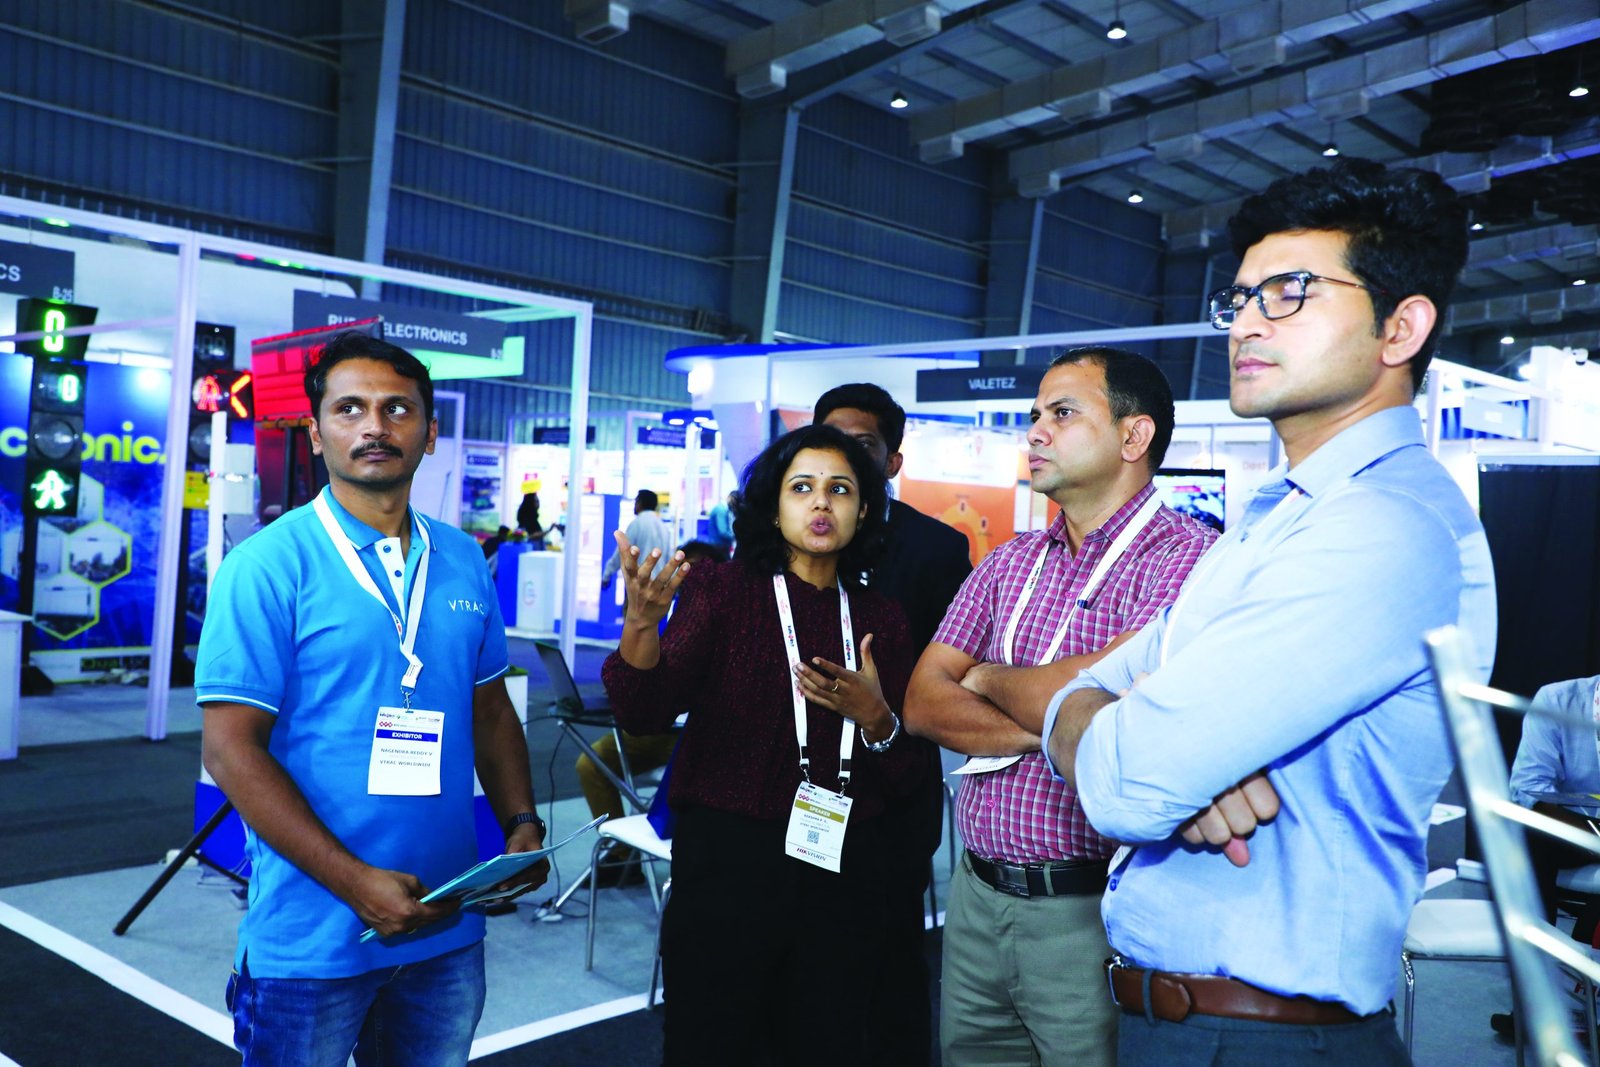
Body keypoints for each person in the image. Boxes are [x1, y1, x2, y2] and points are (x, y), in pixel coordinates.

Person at [1043, 158, 1497, 1065]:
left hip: (1266, 1038)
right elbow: (1080, 697)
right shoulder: (1274, 521)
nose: (1248, 321)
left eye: (1291, 292)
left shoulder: (1383, 527)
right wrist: (1138, 740)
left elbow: (1127, 782)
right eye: (1242, 297)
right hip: (1189, 1024)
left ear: (1401, 327)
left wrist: (1147, 752)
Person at [196, 331, 548, 1066]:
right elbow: (230, 751)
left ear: (430, 432)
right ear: (316, 431)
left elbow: (489, 708)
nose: (375, 426)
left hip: (447, 923)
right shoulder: (266, 566)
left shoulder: (463, 557)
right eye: (350, 408)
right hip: (311, 939)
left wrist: (520, 821)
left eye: (397, 409)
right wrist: (356, 884)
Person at [904, 346, 1216, 1067]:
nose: (1036, 431)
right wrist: (1065, 720)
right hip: (974, 899)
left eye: (1063, 413)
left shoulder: (1189, 560)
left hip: (1093, 912)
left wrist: (986, 676)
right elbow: (922, 701)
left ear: (1134, 436)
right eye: (1035, 414)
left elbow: (1130, 718)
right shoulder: (1010, 562)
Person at [601, 424, 927, 1065]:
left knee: (827, 1044)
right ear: (773, 508)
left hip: (843, 865)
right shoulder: (722, 592)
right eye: (801, 487)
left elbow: (908, 773)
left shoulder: (881, 618)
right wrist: (640, 624)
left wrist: (877, 719)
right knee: (709, 1043)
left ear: (864, 511)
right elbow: (643, 711)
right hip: (729, 862)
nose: (821, 502)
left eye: (840, 490)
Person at [814, 381, 972, 1065]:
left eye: (863, 443)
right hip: (796, 788)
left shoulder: (935, 549)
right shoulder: (784, 538)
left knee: (891, 973)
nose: (845, 455)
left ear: (893, 460)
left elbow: (954, 677)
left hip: (893, 791)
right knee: (801, 971)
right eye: (831, 440)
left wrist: (885, 715)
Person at [575, 540, 728, 880]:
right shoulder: (669, 608)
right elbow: (645, 694)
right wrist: (638, 624)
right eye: (683, 568)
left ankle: (622, 858)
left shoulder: (719, 609)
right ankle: (620, 856)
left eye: (695, 570)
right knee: (592, 763)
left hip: (691, 735)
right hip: (660, 724)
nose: (686, 576)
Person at [1490, 674, 1600, 1035]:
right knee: (1528, 840)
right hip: (1577, 829)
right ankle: (1535, 1001)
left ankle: (1586, 994)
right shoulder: (1557, 700)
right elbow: (1529, 790)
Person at [601, 489, 673, 588]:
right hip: (658, 587)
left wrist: (607, 574)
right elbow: (669, 558)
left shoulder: (637, 524)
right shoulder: (664, 527)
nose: (634, 505)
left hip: (638, 585)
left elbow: (623, 552)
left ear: (640, 503)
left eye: (636, 502)